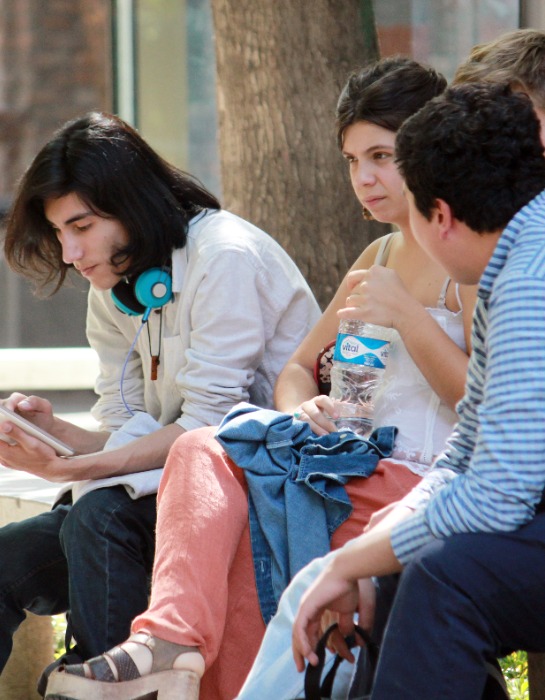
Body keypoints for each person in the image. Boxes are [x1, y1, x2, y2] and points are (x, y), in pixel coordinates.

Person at [44, 58, 476, 700]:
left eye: (381, 156)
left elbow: (483, 403)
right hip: (345, 461)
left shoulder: (464, 259)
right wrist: (305, 407)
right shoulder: (378, 255)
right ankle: (167, 646)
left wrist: (409, 317)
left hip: (420, 479)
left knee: (229, 517)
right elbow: (299, 368)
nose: (364, 178)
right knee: (202, 451)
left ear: (431, 146)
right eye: (353, 160)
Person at [0, 111, 320, 687]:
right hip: (167, 493)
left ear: (132, 202)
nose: (70, 251)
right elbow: (129, 427)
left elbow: (206, 427)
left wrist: (78, 466)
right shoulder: (114, 286)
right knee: (13, 556)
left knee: (96, 516)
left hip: (259, 496)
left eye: (82, 226)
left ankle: (110, 683)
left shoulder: (223, 256)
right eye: (58, 233)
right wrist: (58, 437)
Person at [290, 82, 545, 699]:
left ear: (440, 216)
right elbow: (465, 455)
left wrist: (350, 562)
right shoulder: (511, 259)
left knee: (441, 578)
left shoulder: (524, 284)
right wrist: (378, 550)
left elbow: (497, 497)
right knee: (409, 568)